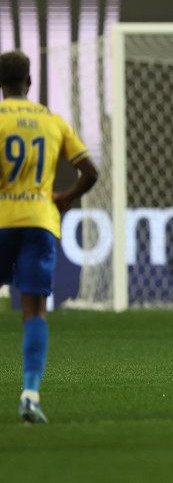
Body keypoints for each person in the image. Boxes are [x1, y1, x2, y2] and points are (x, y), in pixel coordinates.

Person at [0, 50, 98, 423]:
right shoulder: (52, 121)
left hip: (2, 218)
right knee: (35, 308)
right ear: (29, 82)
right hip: (40, 221)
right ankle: (29, 395)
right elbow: (90, 172)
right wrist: (65, 198)